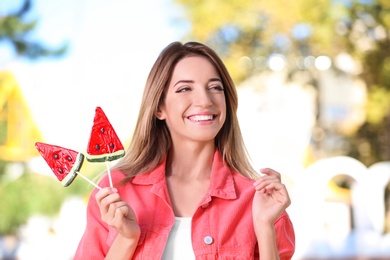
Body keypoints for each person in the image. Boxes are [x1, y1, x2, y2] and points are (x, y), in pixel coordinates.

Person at [74, 41, 295, 259]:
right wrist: (127, 239)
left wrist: (265, 227)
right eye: (185, 88)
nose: (205, 100)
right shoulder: (115, 190)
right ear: (159, 107)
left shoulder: (257, 200)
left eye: (215, 87)